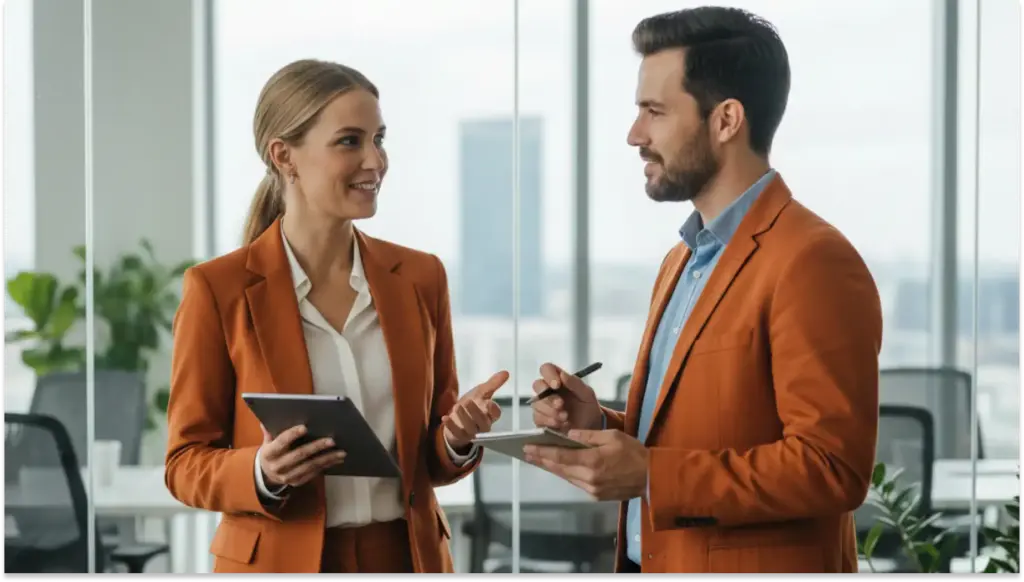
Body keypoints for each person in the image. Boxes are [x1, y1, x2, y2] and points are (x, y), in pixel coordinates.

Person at [525, 7, 882, 575]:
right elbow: (692, 433)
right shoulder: (682, 261)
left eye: (654, 111)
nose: (634, 134)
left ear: (726, 120)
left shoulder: (812, 260)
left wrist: (650, 475)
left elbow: (832, 467)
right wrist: (597, 425)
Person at [164, 59, 508, 575]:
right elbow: (184, 462)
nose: (376, 160)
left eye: (379, 138)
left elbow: (429, 457)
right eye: (350, 141)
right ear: (285, 157)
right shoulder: (218, 289)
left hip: (407, 556)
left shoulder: (420, 277)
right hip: (279, 559)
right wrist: (261, 470)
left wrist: (457, 438)